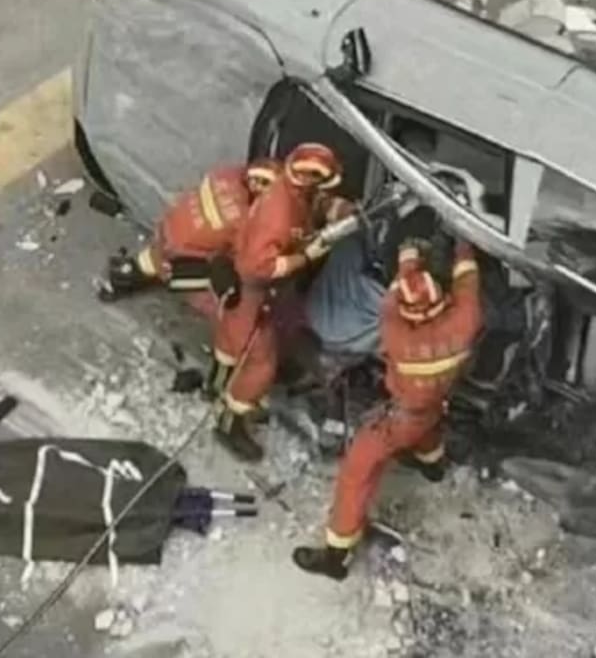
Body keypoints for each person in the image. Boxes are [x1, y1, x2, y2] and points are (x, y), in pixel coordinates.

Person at [291, 235, 483, 579]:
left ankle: (337, 554)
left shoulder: (398, 335)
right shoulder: (464, 322)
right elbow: (468, 280)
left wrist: (408, 255)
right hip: (437, 400)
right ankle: (433, 465)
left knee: (357, 471)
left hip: (400, 416)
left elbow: (392, 298)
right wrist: (464, 246)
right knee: (427, 425)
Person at [210, 142, 353, 462]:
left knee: (233, 339)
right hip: (255, 291)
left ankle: (217, 386)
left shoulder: (289, 190)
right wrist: (302, 257)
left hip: (252, 291)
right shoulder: (279, 213)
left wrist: (342, 212)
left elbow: (314, 203)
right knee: (260, 363)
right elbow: (257, 266)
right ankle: (230, 420)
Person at [102, 158, 284, 309]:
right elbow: (246, 254)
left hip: (170, 225)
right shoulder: (242, 218)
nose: (259, 186)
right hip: (180, 250)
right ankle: (152, 277)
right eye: (260, 181)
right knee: (231, 275)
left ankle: (126, 273)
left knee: (154, 258)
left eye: (265, 183)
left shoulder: (224, 176)